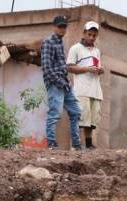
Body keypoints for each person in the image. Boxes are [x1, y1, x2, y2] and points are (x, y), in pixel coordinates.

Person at [41, 15, 82, 151]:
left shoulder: (60, 42)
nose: (62, 29)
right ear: (54, 27)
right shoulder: (48, 42)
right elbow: (47, 69)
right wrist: (60, 81)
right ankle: (51, 144)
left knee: (76, 112)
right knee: (54, 114)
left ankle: (77, 145)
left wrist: (67, 79)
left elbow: (61, 66)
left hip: (64, 83)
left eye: (64, 26)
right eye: (60, 26)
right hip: (55, 84)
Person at [67, 21, 104, 150]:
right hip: (82, 89)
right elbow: (70, 67)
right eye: (89, 34)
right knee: (80, 118)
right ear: (84, 33)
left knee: (92, 121)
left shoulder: (97, 51)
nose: (92, 37)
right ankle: (75, 144)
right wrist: (87, 69)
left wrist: (100, 70)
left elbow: (98, 67)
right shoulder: (75, 48)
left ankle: (89, 144)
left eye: (94, 35)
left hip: (95, 89)